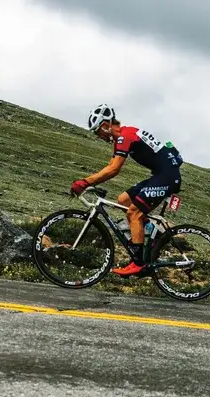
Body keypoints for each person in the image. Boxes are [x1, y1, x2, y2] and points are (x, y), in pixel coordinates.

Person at [71, 104, 184, 277]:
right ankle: (151, 237)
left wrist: (85, 182)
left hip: (167, 176)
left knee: (134, 213)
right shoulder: (122, 137)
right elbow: (110, 165)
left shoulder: (126, 136)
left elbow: (114, 169)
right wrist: (90, 181)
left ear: (105, 126)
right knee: (124, 200)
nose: (98, 137)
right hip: (162, 174)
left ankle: (138, 263)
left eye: (97, 132)